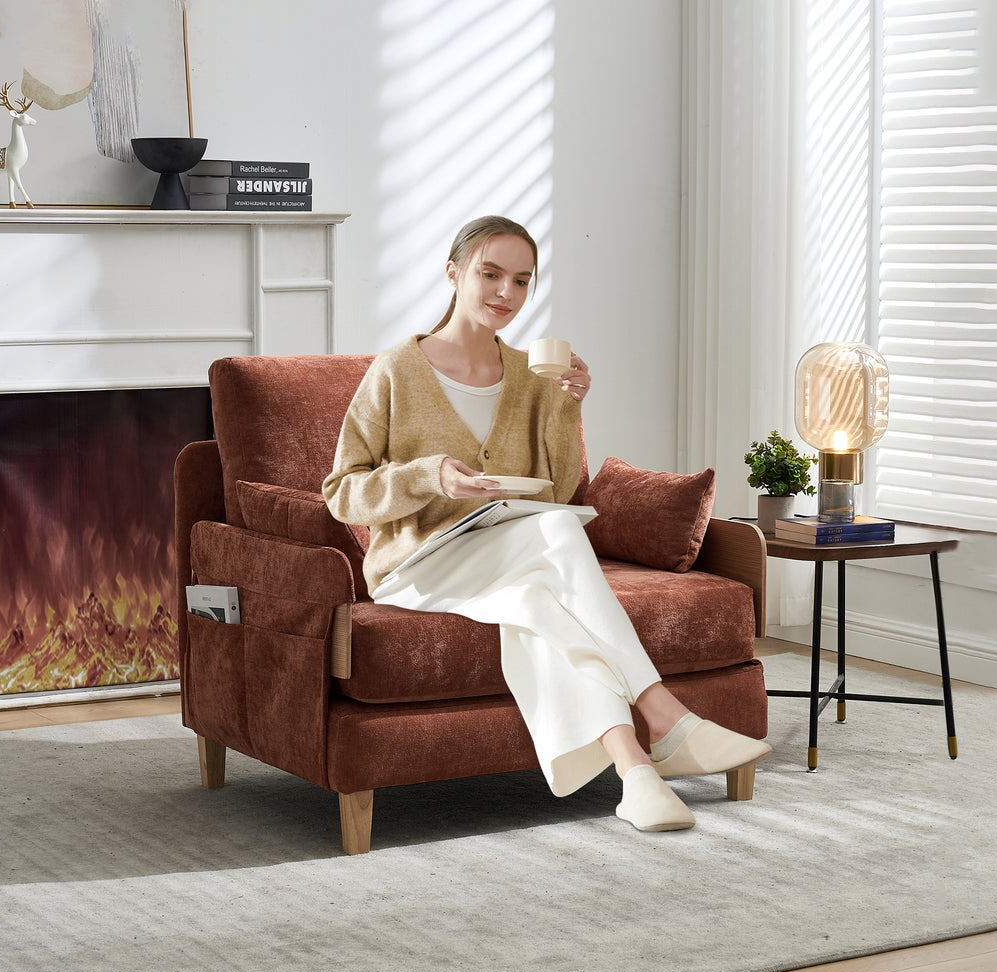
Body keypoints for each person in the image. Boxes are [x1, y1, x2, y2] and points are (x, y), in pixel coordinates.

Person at [323, 215, 771, 832]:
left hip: (510, 551)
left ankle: (636, 774)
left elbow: (557, 493)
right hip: (417, 566)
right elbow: (342, 493)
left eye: (520, 280)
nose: (504, 292)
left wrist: (567, 408)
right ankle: (664, 713)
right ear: (453, 272)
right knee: (559, 536)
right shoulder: (398, 371)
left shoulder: (533, 377)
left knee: (540, 609)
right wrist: (430, 477)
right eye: (489, 273)